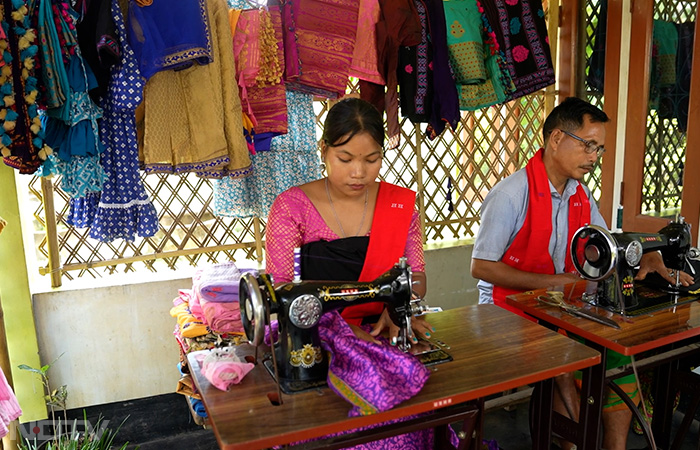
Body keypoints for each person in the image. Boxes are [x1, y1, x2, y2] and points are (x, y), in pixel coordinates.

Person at [470, 96, 693, 450]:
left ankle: (610, 445)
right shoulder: (512, 194)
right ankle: (575, 440)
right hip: (506, 310)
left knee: (620, 351)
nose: (594, 157)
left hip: (556, 305)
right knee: (569, 356)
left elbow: (605, 246)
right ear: (556, 139)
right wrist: (555, 283)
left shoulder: (579, 194)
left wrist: (645, 259)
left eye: (599, 149)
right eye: (588, 145)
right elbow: (480, 267)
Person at [265, 96, 433, 347]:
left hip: (384, 330)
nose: (359, 172)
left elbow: (416, 275)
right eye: (345, 159)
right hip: (315, 335)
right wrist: (341, 331)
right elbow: (282, 289)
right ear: (324, 150)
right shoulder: (292, 208)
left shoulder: (399, 206)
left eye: (371, 159)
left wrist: (400, 306)